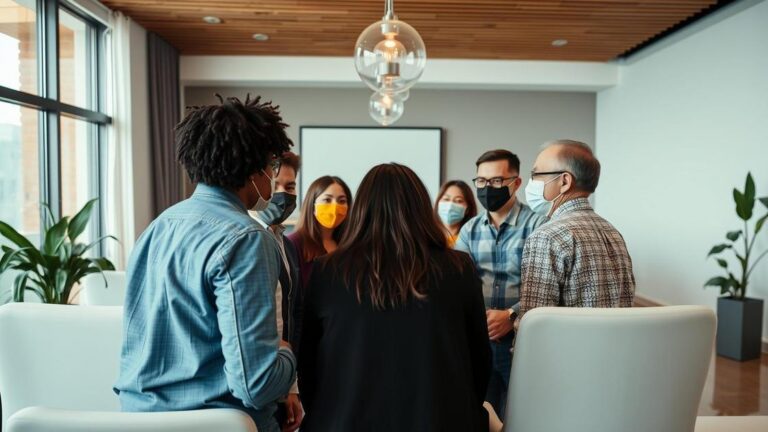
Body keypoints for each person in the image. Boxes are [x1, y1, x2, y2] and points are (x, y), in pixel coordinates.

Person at [114, 95, 297, 432]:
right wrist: (286, 354)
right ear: (255, 168)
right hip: (219, 422)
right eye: (271, 165)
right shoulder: (247, 238)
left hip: (136, 419)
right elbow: (255, 386)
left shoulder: (158, 227)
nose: (272, 176)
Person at [298, 163, 491, 432]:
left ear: (361, 208)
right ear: (422, 207)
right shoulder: (458, 267)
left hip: (343, 420)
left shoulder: (327, 270)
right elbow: (479, 359)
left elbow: (308, 363)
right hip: (440, 418)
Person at [454, 149, 547, 419]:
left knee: (522, 413)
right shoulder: (470, 229)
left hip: (522, 339)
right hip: (479, 338)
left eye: (496, 181)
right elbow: (460, 282)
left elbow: (546, 283)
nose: (487, 188)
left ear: (516, 183)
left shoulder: (538, 225)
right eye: (481, 182)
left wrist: (511, 314)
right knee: (481, 410)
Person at [517, 140, 635, 324]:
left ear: (564, 181)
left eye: (536, 174)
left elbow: (534, 324)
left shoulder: (546, 237)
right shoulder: (613, 232)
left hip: (567, 352)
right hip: (617, 351)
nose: (531, 182)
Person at [251, 151, 303, 431]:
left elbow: (290, 312)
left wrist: (291, 385)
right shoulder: (248, 238)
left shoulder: (286, 242)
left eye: (291, 186)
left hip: (283, 374)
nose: (283, 193)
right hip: (258, 378)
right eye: (277, 183)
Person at [286, 176, 352, 290]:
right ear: (312, 205)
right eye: (327, 200)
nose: (335, 206)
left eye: (342, 201)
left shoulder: (349, 243)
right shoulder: (293, 243)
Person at [434, 180, 478, 247]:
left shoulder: (472, 238)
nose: (450, 206)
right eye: (446, 199)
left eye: (458, 201)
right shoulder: (428, 235)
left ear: (468, 209)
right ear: (438, 203)